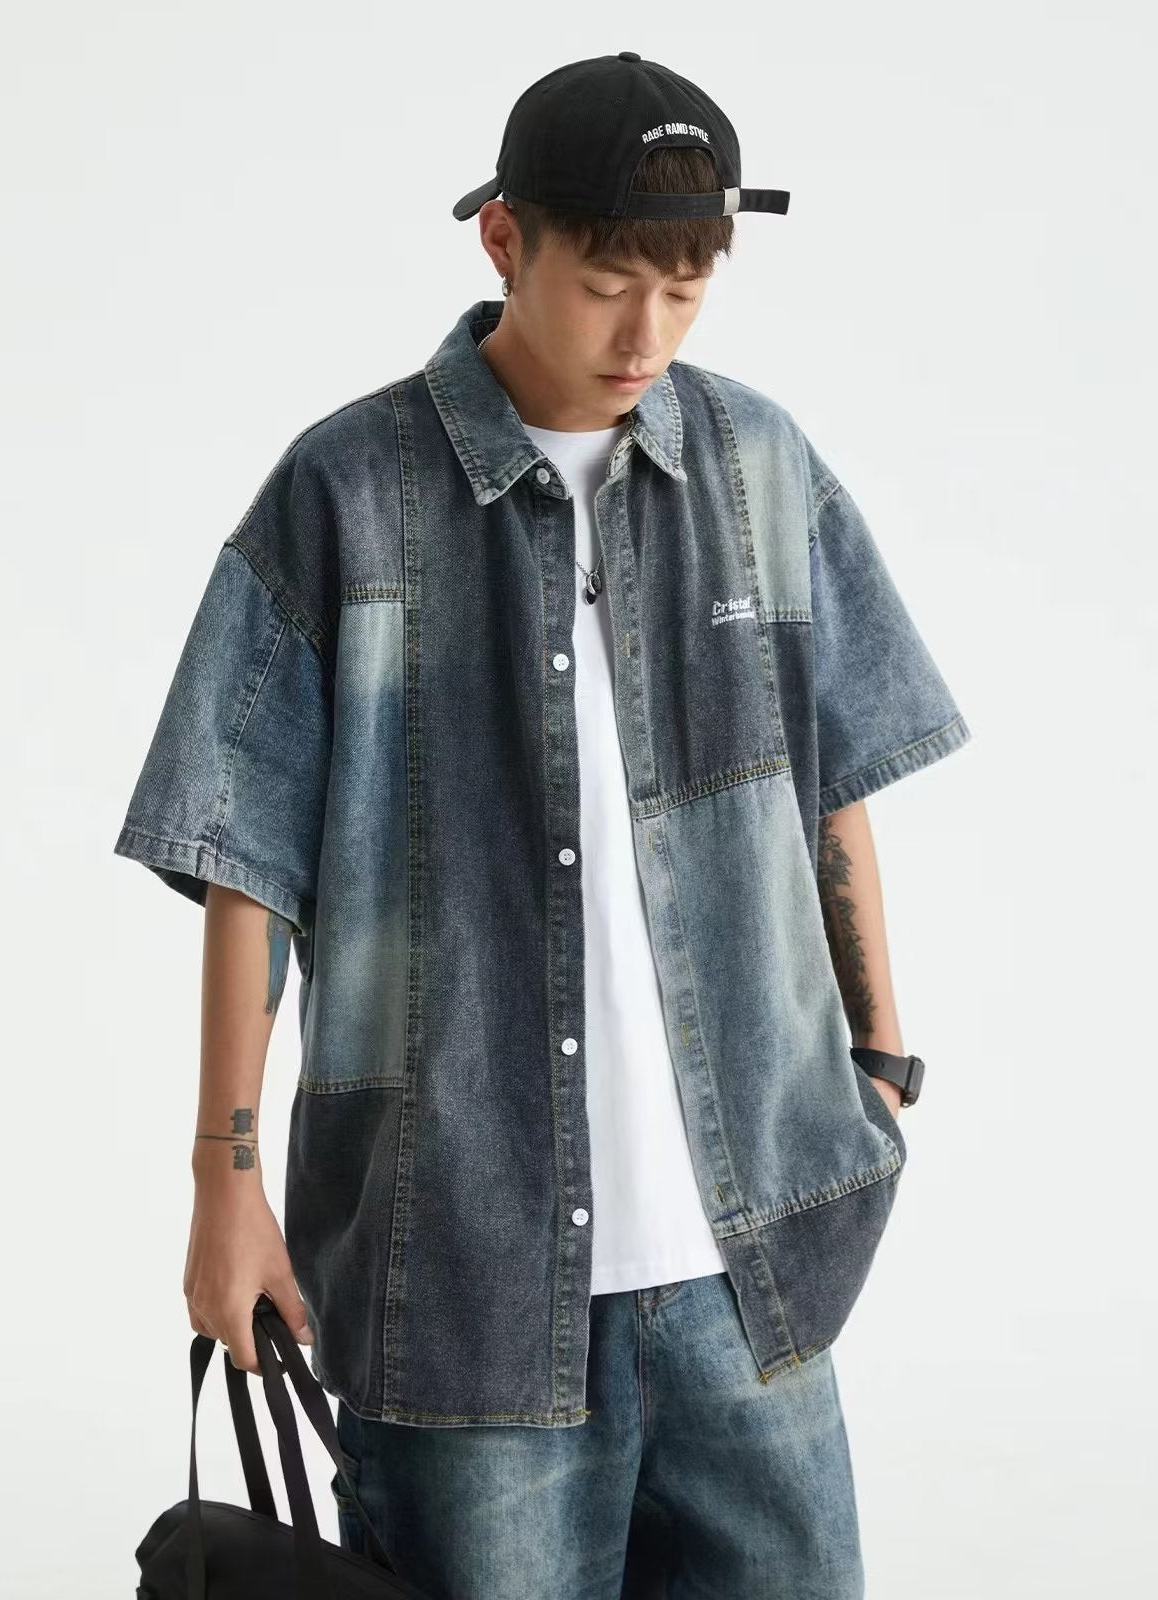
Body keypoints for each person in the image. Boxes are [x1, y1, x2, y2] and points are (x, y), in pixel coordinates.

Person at [114, 51, 971, 1600]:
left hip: (750, 1278)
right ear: (505, 241)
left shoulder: (760, 469)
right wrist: (223, 1184)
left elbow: (830, 775)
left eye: (687, 291)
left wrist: (882, 1061)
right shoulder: (348, 492)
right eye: (608, 285)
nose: (647, 335)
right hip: (460, 1285)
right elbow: (249, 864)